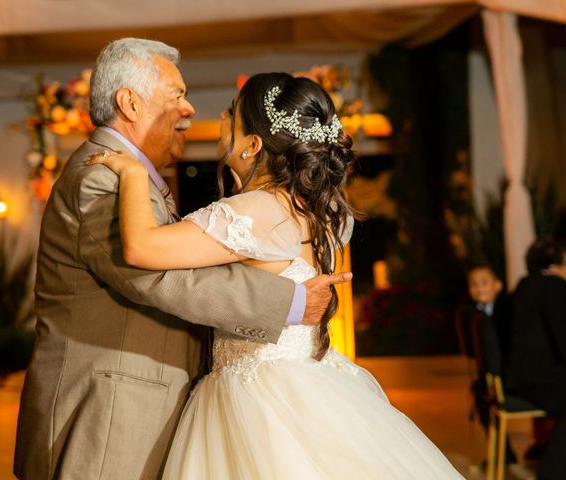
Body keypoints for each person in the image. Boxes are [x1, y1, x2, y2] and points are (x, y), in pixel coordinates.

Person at [89, 72, 464, 479]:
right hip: (310, 385)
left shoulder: (254, 209)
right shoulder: (320, 209)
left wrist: (132, 174)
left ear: (252, 145)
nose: (220, 116)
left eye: (231, 113)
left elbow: (141, 248)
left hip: (255, 399)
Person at [13, 39, 349, 480]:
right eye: (177, 96)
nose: (191, 111)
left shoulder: (138, 178)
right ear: (129, 103)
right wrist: (285, 303)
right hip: (107, 414)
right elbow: (155, 277)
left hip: (207, 403)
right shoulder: (101, 176)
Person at [507, 238, 566, 480]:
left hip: (520, 378)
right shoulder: (554, 287)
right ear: (554, 265)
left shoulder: (523, 286)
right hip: (538, 380)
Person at [456, 264, 517, 464]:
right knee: (480, 398)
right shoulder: (472, 313)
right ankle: (502, 451)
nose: (479, 287)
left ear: (498, 285)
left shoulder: (508, 309)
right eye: (474, 284)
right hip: (488, 374)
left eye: (484, 282)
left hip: (509, 371)